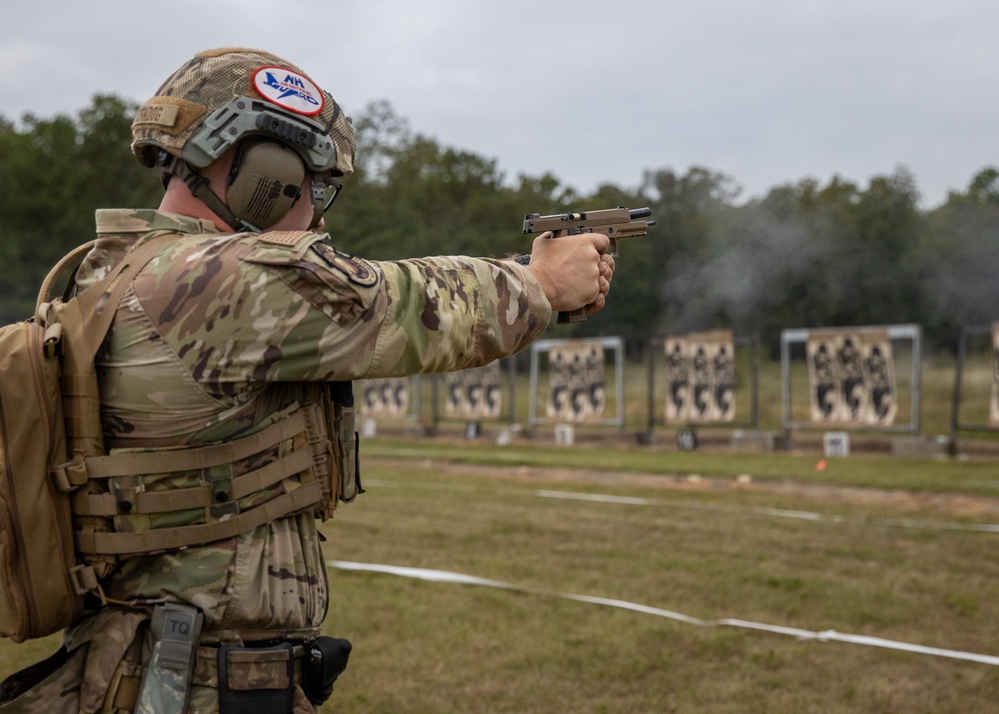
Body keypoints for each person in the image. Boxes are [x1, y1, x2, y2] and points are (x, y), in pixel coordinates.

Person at [0, 48, 614, 713]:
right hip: (190, 681)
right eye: (313, 185)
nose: (317, 215)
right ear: (267, 173)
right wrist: (541, 283)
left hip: (155, 660)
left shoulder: (128, 273)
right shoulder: (206, 278)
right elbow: (403, 308)